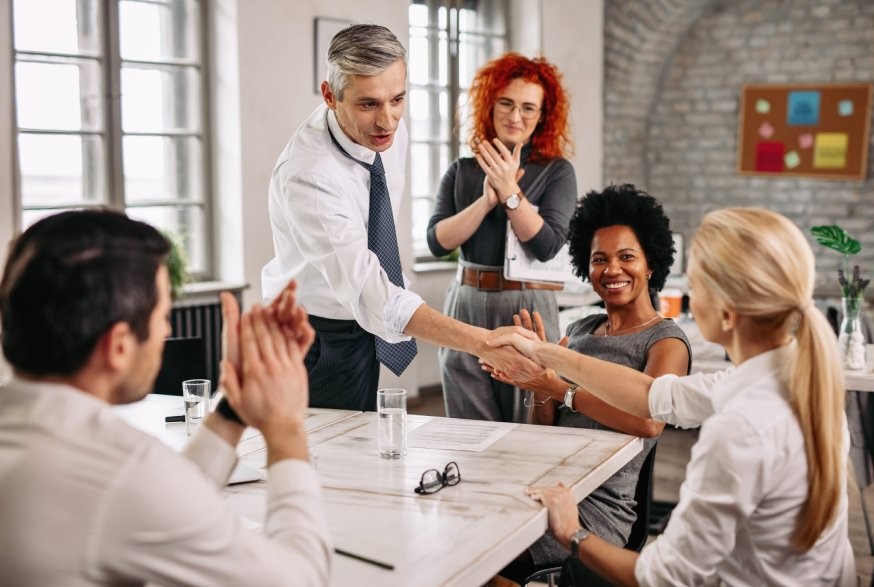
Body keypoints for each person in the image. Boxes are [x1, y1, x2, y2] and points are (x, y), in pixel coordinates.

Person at [493, 208, 856, 585]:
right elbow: (653, 394)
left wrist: (572, 531)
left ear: (727, 314)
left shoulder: (739, 431)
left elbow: (663, 577)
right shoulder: (796, 381)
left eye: (695, 286)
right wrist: (548, 356)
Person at [0, 210, 331, 585]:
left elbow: (160, 500)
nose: (166, 329)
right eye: (163, 317)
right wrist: (286, 428)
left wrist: (233, 411)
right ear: (119, 346)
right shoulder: (120, 470)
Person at [261, 24, 539, 412]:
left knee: (359, 449)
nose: (388, 121)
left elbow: (378, 253)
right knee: (319, 464)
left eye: (398, 99)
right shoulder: (309, 175)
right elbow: (370, 289)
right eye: (368, 104)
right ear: (330, 95)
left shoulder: (388, 133)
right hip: (310, 339)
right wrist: (482, 342)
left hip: (359, 328)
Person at [492, 185, 691, 583]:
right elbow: (542, 431)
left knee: (487, 561)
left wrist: (559, 387)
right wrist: (537, 381)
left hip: (599, 507)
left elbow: (650, 421)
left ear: (651, 263)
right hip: (551, 482)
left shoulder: (665, 340)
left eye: (627, 257)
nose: (612, 269)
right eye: (599, 259)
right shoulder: (581, 328)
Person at [427, 53, 578, 422]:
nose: (516, 116)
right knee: (467, 421)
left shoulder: (557, 171)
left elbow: (546, 246)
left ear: (542, 116)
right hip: (465, 301)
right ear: (490, 105)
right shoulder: (461, 170)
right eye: (506, 103)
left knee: (527, 416)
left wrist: (511, 192)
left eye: (528, 108)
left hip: (527, 305)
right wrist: (485, 201)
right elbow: (437, 242)